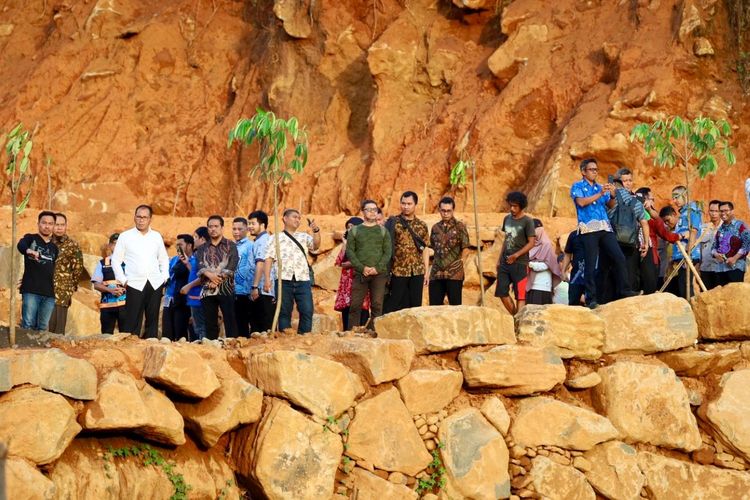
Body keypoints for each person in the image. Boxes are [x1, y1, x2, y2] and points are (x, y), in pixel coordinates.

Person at [570, 159, 635, 309]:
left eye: (596, 169)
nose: (595, 172)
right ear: (583, 171)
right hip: (588, 228)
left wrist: (612, 195)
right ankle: (590, 298)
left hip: (604, 227)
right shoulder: (577, 186)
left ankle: (625, 290)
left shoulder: (601, 187)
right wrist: (600, 193)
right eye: (591, 169)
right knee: (591, 265)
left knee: (618, 256)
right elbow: (581, 203)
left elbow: (610, 205)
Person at [111, 205, 170, 338]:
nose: (141, 220)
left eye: (144, 217)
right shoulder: (125, 236)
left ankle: (151, 345)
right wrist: (124, 280)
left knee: (152, 319)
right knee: (132, 320)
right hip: (134, 283)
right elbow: (116, 261)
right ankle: (131, 349)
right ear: (134, 217)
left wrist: (164, 277)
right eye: (138, 216)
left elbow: (163, 258)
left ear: (150, 219)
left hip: (155, 283)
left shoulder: (156, 236)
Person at [264, 208, 321, 334]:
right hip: (283, 279)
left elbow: (316, 246)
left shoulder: (304, 237)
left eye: (299, 218)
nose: (297, 220)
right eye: (295, 217)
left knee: (307, 310)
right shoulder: (275, 238)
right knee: (284, 311)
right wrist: (267, 279)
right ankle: (286, 338)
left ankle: (304, 337)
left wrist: (316, 231)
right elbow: (268, 258)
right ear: (285, 219)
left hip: (302, 279)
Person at [600, 168, 649, 300]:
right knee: (628, 273)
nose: (628, 183)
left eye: (630, 180)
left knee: (608, 274)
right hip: (630, 242)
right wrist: (646, 243)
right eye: (625, 181)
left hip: (610, 240)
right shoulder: (636, 202)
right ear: (621, 183)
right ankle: (626, 298)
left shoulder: (610, 197)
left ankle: (605, 302)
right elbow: (644, 222)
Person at [347, 201, 392, 329]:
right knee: (355, 305)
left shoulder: (383, 232)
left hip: (379, 274)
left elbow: (387, 252)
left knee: (377, 305)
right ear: (362, 211)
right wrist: (362, 268)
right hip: (361, 274)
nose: (372, 212)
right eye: (369, 209)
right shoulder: (355, 231)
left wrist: (376, 268)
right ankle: (352, 332)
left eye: (374, 209)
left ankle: (374, 332)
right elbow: (350, 252)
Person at [384, 191, 430, 313]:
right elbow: (386, 247)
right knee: (395, 304)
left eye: (409, 204)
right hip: (398, 270)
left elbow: (425, 249)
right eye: (403, 203)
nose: (406, 206)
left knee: (415, 306)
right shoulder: (393, 223)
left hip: (417, 271)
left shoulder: (422, 225)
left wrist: (426, 271)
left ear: (415, 204)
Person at [195, 215, 239, 340]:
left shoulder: (231, 245)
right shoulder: (202, 248)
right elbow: (199, 265)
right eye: (210, 226)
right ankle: (212, 348)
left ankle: (232, 347)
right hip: (207, 291)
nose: (213, 229)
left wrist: (216, 280)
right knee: (210, 323)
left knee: (230, 320)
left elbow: (232, 265)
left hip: (226, 289)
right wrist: (211, 276)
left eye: (216, 226)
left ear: (222, 228)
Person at [17, 211, 59, 331]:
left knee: (42, 327)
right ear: (38, 224)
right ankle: (25, 349)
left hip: (49, 294)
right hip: (31, 290)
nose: (47, 226)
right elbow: (21, 245)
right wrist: (29, 251)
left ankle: (39, 349)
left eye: (50, 223)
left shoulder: (54, 248)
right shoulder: (30, 238)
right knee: (28, 325)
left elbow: (52, 268)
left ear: (53, 226)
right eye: (44, 223)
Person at [495, 191, 535, 314]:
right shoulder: (507, 219)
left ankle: (519, 322)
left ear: (521, 206)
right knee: (501, 292)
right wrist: (499, 259)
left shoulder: (528, 221)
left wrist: (516, 255)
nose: (512, 208)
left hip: (520, 263)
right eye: (510, 205)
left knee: (520, 296)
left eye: (515, 206)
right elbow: (507, 240)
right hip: (505, 261)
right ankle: (515, 317)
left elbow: (531, 242)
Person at [636, 188, 681, 294]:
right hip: (650, 256)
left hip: (633, 255)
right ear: (645, 199)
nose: (653, 202)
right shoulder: (651, 217)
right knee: (650, 289)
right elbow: (665, 234)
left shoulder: (631, 210)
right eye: (652, 199)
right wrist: (679, 236)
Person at [429, 196, 470, 306]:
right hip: (436, 274)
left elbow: (466, 248)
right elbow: (433, 247)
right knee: (434, 307)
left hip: (454, 274)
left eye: (448, 211)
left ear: (453, 210)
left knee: (455, 307)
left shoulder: (460, 227)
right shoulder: (435, 228)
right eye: (443, 210)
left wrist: (461, 263)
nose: (445, 213)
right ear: (439, 210)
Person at [48, 213, 84, 334]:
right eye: (56, 225)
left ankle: (55, 350)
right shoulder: (45, 243)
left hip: (63, 292)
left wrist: (70, 286)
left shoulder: (72, 245)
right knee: (45, 324)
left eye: (62, 225)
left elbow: (78, 269)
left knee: (58, 327)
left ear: (66, 226)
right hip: (45, 289)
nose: (59, 228)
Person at [334, 216, 371, 330]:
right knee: (347, 310)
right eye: (348, 227)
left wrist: (352, 264)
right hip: (347, 285)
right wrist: (345, 243)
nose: (350, 229)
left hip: (360, 281)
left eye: (353, 227)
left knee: (361, 309)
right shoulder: (347, 244)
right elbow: (339, 262)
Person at [668, 186, 702, 299]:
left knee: (687, 288)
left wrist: (689, 251)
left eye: (676, 197)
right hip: (681, 255)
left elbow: (693, 230)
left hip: (688, 255)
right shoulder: (682, 213)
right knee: (682, 287)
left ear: (685, 196)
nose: (674, 201)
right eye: (673, 198)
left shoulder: (692, 210)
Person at [91, 233, 127, 333]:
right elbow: (96, 284)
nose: (117, 247)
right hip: (107, 306)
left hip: (126, 306)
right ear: (110, 246)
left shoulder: (130, 262)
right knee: (106, 336)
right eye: (115, 243)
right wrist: (110, 290)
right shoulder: (103, 263)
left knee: (127, 336)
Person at [162, 234, 193, 340]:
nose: (178, 248)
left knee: (181, 333)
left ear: (189, 246)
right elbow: (167, 274)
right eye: (177, 245)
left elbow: (195, 275)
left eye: (181, 245)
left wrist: (187, 263)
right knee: (167, 333)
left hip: (184, 301)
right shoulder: (174, 259)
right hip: (169, 298)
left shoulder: (194, 260)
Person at [180, 226, 208, 340]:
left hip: (199, 298)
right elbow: (196, 273)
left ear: (202, 239)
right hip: (194, 298)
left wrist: (188, 286)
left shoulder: (205, 253)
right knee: (198, 328)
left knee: (202, 328)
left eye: (195, 237)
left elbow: (204, 277)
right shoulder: (198, 254)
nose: (194, 239)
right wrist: (187, 264)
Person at [712, 201, 750, 284]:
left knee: (735, 294)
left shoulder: (741, 226)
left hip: (735, 268)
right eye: (721, 211)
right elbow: (714, 246)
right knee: (722, 296)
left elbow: (747, 245)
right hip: (720, 268)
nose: (723, 213)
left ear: (732, 211)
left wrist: (734, 258)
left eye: (726, 210)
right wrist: (716, 255)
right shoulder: (720, 228)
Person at [248, 210, 274, 333]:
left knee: (262, 327)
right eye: (249, 224)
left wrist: (255, 286)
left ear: (262, 225)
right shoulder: (259, 240)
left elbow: (260, 263)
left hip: (262, 290)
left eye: (253, 223)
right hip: (262, 290)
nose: (249, 227)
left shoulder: (263, 241)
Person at [526, 219, 562, 305]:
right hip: (531, 284)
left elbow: (548, 264)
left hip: (542, 286)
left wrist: (530, 264)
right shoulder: (531, 245)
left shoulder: (546, 245)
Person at [232, 217, 254, 337]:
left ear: (246, 229)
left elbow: (251, 267)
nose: (236, 232)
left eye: (240, 229)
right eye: (234, 229)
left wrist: (250, 288)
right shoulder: (231, 246)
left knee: (243, 323)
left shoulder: (250, 245)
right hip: (232, 291)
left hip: (245, 291)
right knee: (234, 323)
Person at [698, 200, 723, 290]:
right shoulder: (703, 228)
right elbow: (699, 249)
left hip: (721, 269)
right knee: (706, 296)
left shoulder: (726, 228)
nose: (713, 214)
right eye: (711, 211)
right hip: (705, 269)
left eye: (716, 211)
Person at [561, 229, 586, 306]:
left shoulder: (597, 234)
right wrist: (563, 271)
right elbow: (568, 254)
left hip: (593, 277)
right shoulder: (574, 235)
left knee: (591, 304)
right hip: (576, 278)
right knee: (573, 303)